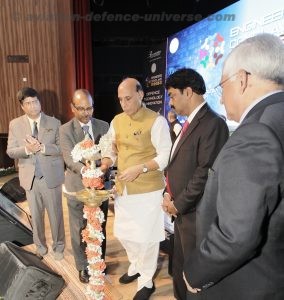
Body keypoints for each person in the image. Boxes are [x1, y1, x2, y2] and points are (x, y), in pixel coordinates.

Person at [183, 33, 284, 300]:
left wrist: (193, 275)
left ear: (242, 79)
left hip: (249, 284)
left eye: (222, 86)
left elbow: (236, 236)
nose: (222, 98)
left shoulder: (256, 133)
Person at [100, 77, 172, 300]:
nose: (124, 103)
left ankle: (146, 280)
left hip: (149, 190)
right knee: (124, 233)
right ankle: (136, 265)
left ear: (141, 95)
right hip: (124, 188)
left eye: (128, 98)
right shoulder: (117, 120)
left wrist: (140, 168)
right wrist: (105, 163)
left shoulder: (156, 121)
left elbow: (165, 156)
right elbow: (111, 149)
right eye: (121, 99)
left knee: (147, 238)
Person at [162, 68, 229, 300]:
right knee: (180, 271)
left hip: (197, 218)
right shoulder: (188, 123)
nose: (170, 101)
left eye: (172, 95)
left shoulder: (213, 124)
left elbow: (205, 173)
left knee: (195, 278)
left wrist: (178, 204)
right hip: (182, 214)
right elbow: (174, 165)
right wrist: (167, 193)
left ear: (188, 92)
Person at [6, 87, 65, 260]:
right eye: (28, 103)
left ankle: (59, 246)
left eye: (35, 101)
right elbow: (11, 151)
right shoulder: (15, 124)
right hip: (30, 179)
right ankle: (40, 246)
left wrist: (43, 147)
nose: (33, 106)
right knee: (36, 216)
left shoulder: (54, 123)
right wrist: (27, 149)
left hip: (51, 177)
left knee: (56, 214)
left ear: (40, 102)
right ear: (22, 106)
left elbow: (62, 148)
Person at [59, 89, 109, 283]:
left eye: (89, 108)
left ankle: (99, 262)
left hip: (100, 188)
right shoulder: (65, 130)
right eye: (81, 109)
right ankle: (82, 266)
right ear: (72, 108)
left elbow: (109, 152)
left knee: (99, 226)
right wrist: (88, 173)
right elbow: (69, 159)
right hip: (76, 188)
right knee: (79, 228)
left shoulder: (104, 126)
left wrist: (103, 167)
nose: (86, 113)